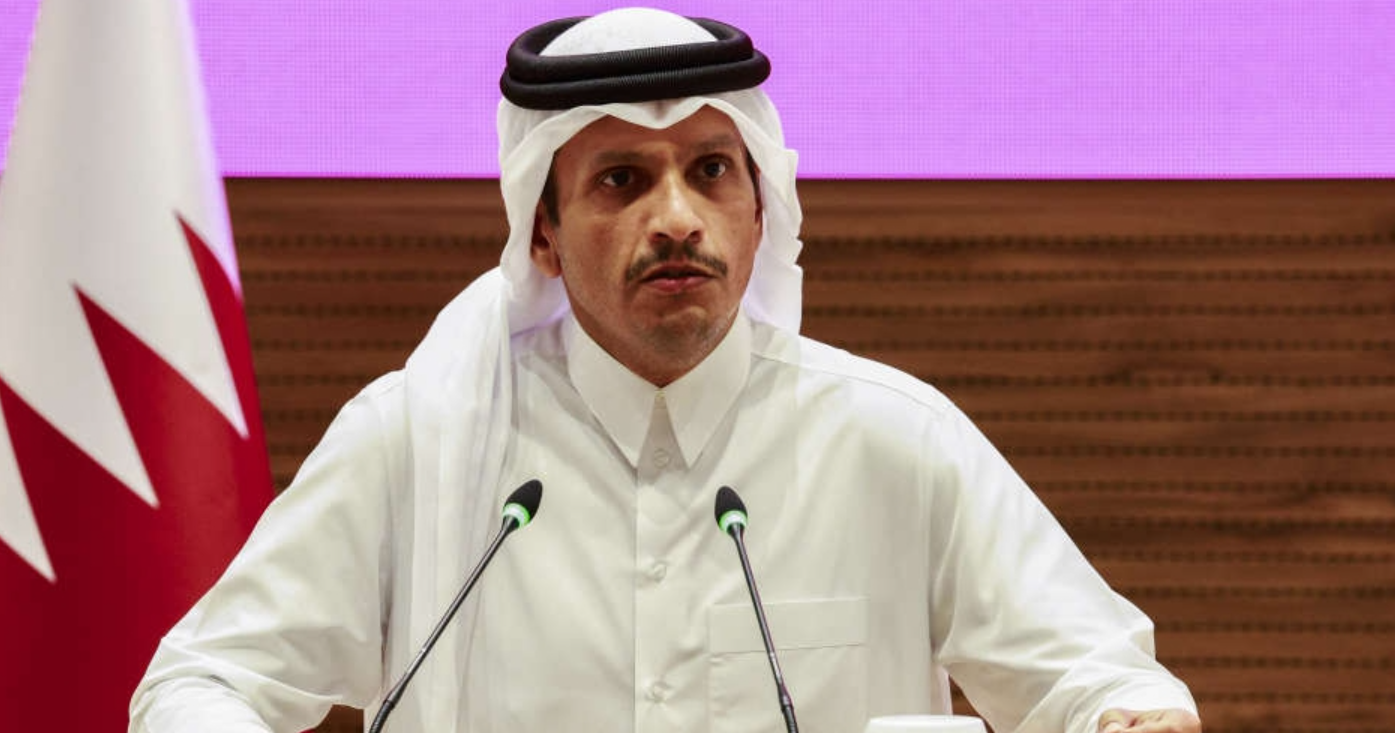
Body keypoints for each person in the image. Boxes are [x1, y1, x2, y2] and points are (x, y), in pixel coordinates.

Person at [130, 8, 1202, 733]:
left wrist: (1125, 716)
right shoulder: (420, 437)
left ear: (760, 210)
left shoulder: (892, 437)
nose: (678, 218)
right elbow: (204, 680)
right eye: (622, 181)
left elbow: (1094, 677)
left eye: (711, 170)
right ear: (542, 235)